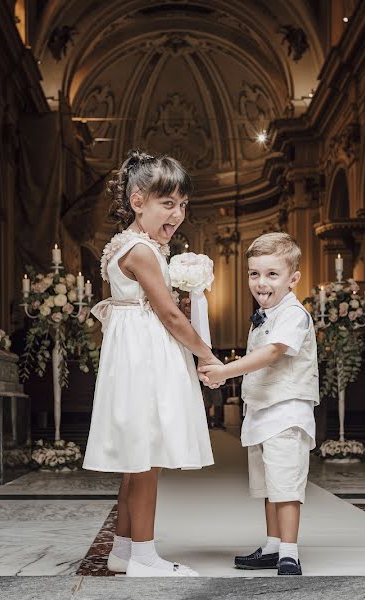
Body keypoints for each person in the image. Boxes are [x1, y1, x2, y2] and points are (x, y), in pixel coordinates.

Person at [82, 150, 218, 577]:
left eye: (183, 205)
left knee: (136, 458)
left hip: (135, 355)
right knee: (146, 461)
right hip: (144, 362)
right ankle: (144, 556)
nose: (177, 214)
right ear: (137, 201)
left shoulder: (130, 244)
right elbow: (170, 316)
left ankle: (123, 550)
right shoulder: (141, 250)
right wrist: (206, 353)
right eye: (167, 204)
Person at [198, 232, 318, 576]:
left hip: (287, 413)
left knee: (287, 487)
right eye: (254, 274)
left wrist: (224, 370)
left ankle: (290, 555)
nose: (261, 282)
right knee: (269, 485)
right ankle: (273, 545)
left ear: (293, 278)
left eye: (272, 274)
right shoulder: (266, 312)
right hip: (264, 413)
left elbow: (271, 353)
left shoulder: (293, 314)